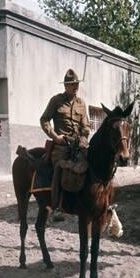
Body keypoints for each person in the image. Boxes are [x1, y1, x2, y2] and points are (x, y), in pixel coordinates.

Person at [40, 69, 91, 219]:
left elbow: (86, 126)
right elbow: (44, 120)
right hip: (61, 145)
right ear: (65, 86)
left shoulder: (82, 103)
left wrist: (83, 140)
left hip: (78, 144)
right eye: (71, 84)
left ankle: (91, 201)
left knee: (91, 165)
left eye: (76, 84)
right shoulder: (56, 100)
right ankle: (57, 206)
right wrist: (55, 137)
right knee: (59, 168)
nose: (75, 86)